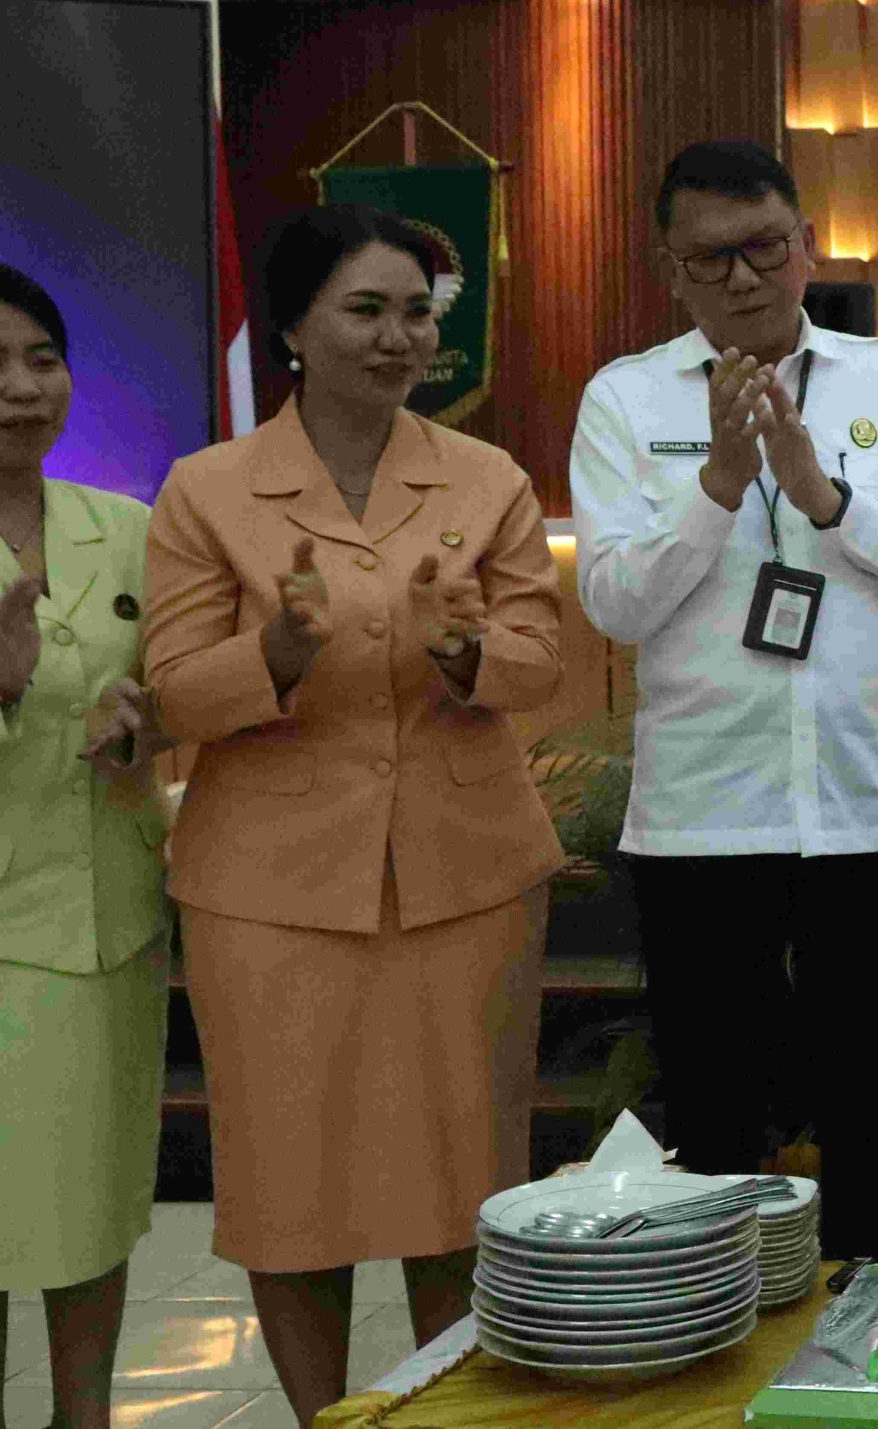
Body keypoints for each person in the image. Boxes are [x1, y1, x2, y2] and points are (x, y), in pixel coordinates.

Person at [141, 205, 563, 1426]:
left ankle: (449, 1414)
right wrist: (274, 652)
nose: (399, 337)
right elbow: (176, 692)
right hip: (267, 893)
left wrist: (466, 648)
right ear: (292, 327)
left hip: (465, 880)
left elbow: (539, 661)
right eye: (366, 310)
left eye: (417, 313)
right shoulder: (208, 489)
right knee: (292, 1193)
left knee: (461, 1185)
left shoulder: (486, 478)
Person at [568, 140, 878, 1261]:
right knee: (715, 1124)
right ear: (672, 272)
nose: (743, 277)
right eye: (711, 259)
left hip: (866, 808)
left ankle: (866, 1333)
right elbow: (614, 601)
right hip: (703, 817)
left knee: (867, 1114)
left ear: (806, 245)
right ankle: (725, 1335)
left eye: (764, 247)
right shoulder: (624, 398)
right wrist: (717, 485)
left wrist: (825, 497)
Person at [0, 264, 171, 1429]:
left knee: (91, 1206)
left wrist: (148, 719)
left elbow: (183, 683)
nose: (21, 388)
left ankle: (85, 1418)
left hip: (110, 924)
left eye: (42, 359)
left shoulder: (128, 529)